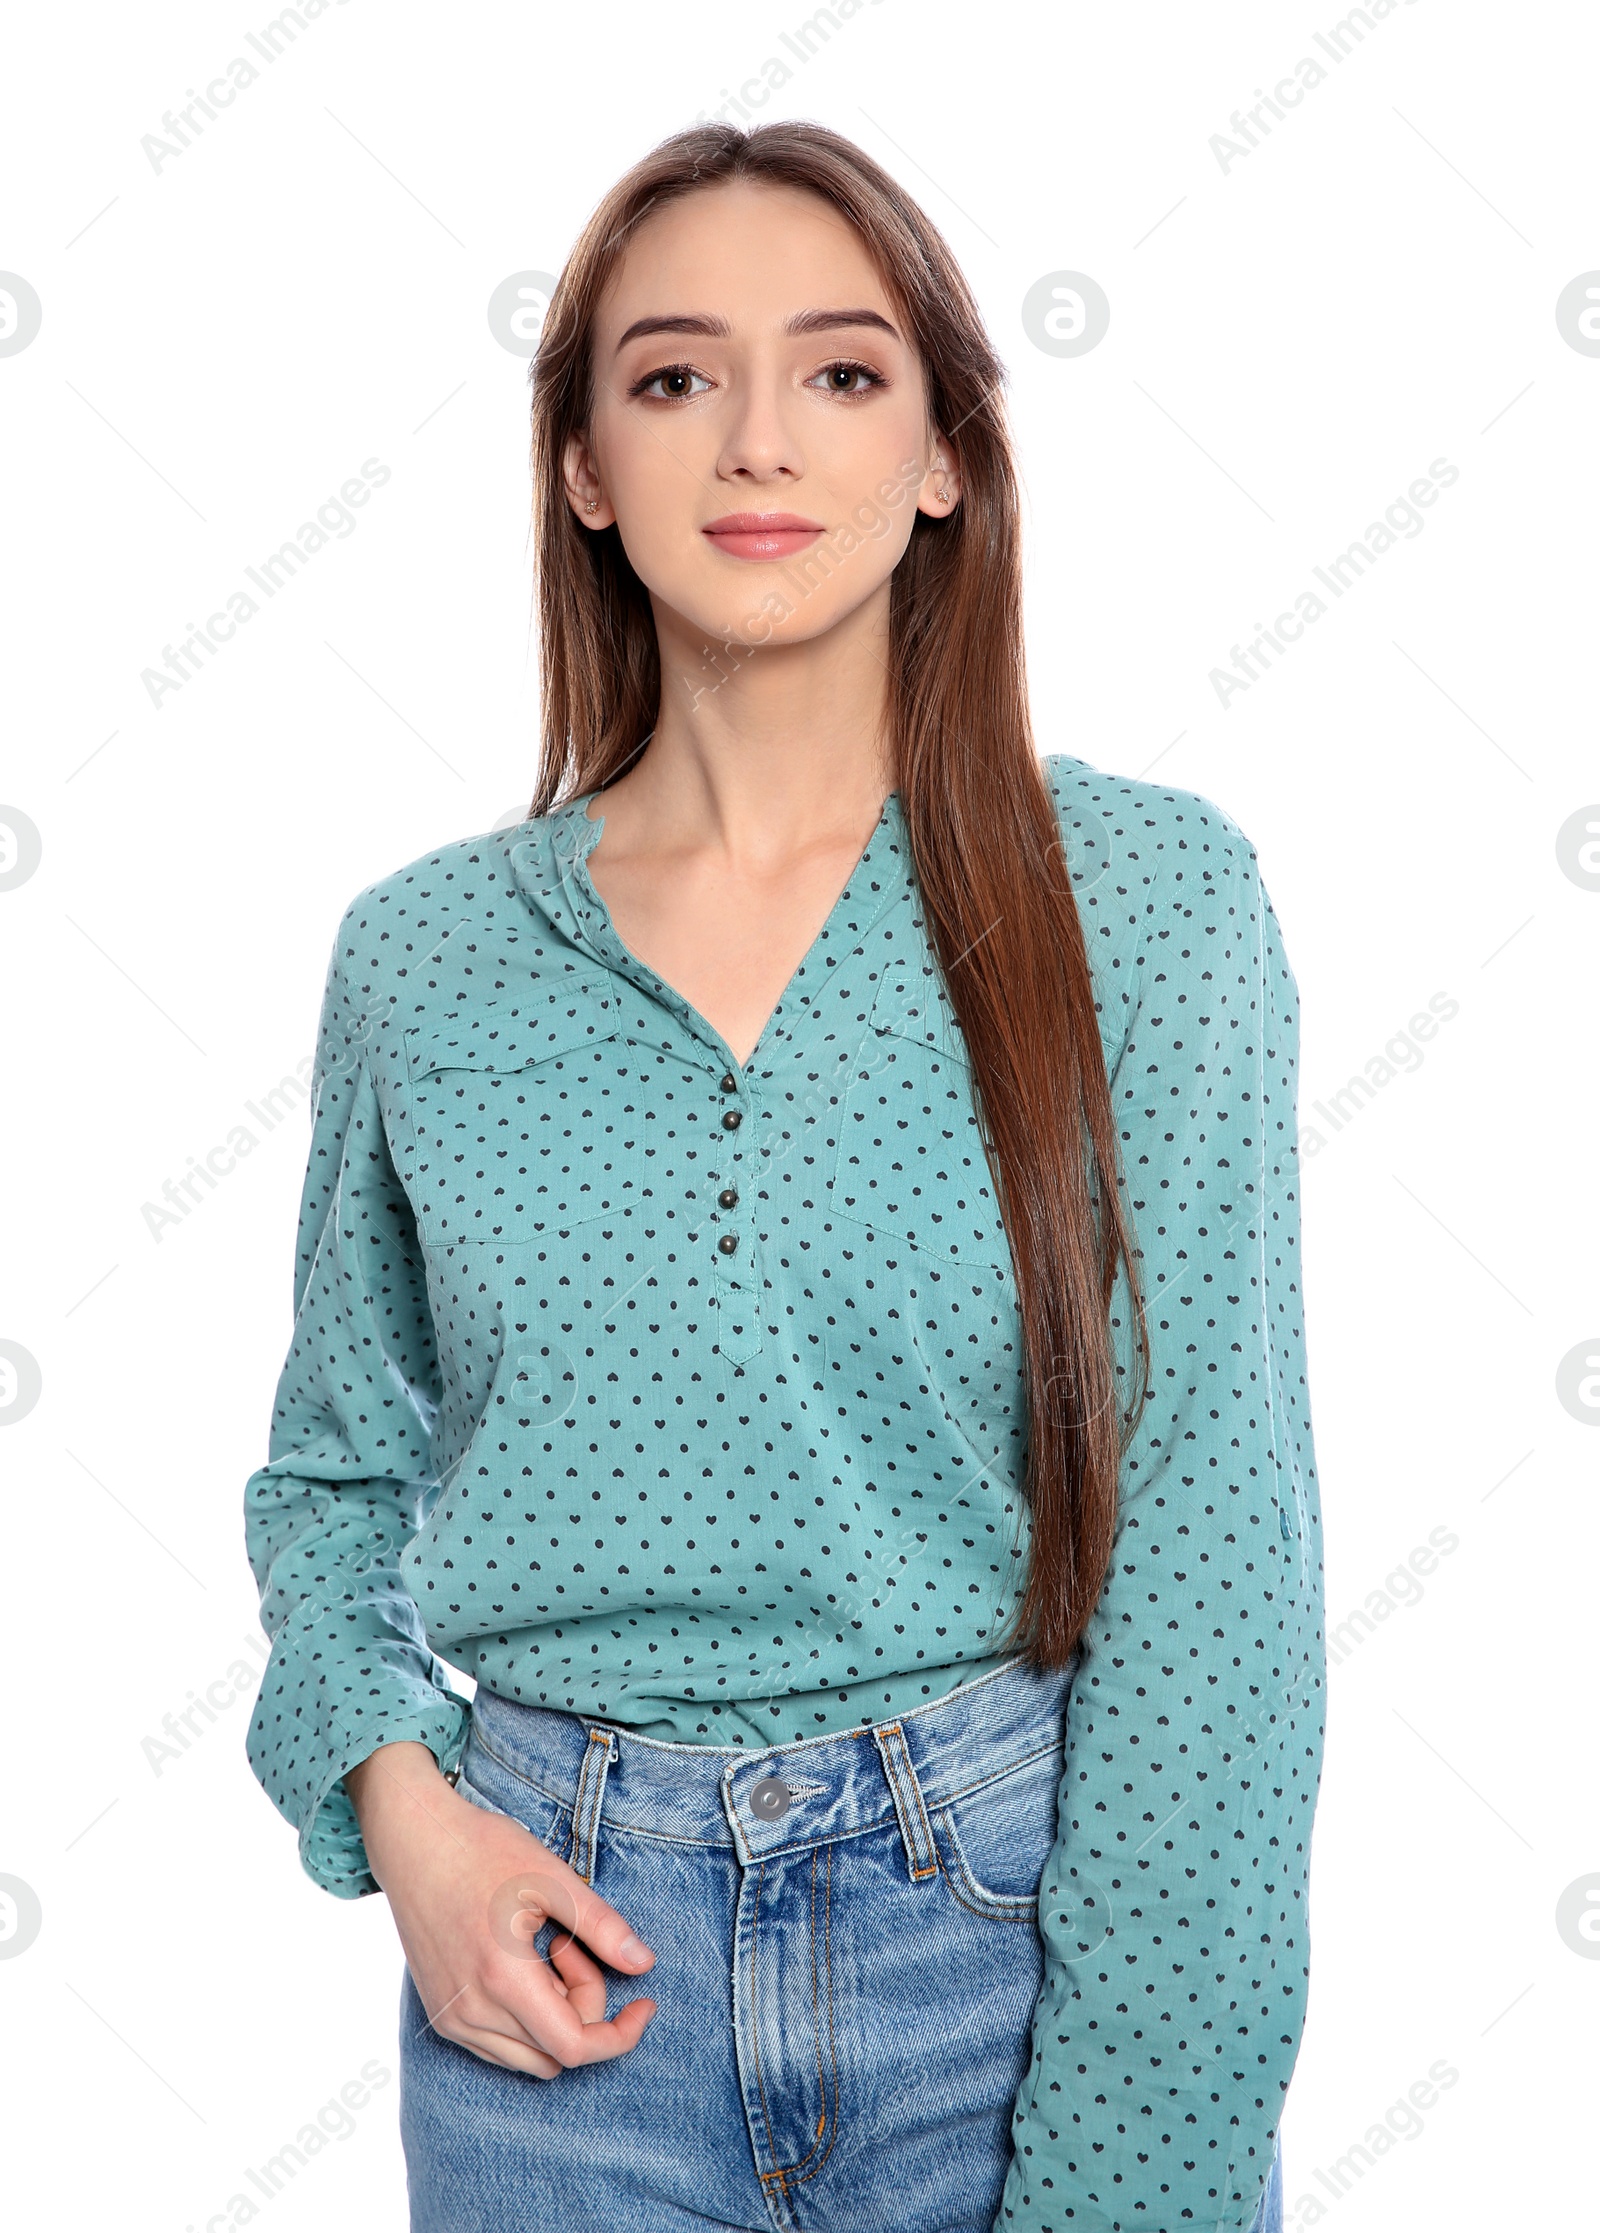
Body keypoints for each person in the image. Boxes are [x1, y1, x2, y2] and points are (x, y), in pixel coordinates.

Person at [243, 119, 1322, 2233]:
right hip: (557, 1974)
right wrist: (408, 1813)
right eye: (670, 378)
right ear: (580, 463)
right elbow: (329, 1476)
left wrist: (1134, 2171)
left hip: (1001, 1951)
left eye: (837, 373)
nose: (754, 439)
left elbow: (1215, 1582)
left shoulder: (1150, 905)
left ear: (939, 457)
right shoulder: (425, 961)